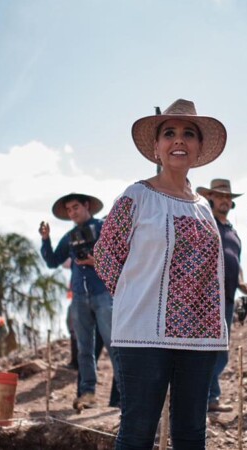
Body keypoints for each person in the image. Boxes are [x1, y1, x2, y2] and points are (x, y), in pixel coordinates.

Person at [94, 98, 229, 450]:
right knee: (137, 434)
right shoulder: (136, 197)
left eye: (188, 134)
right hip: (142, 337)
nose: (178, 140)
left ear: (199, 148)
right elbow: (106, 256)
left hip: (198, 339)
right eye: (169, 133)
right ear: (157, 147)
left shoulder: (204, 209)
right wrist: (138, 298)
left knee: (190, 435)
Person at [39, 192, 118, 409]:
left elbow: (122, 257)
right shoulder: (69, 236)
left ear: (86, 206)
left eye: (75, 207)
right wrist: (45, 239)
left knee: (115, 346)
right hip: (79, 296)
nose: (72, 213)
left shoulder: (104, 228)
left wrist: (97, 261)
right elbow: (53, 261)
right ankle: (87, 394)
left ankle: (123, 396)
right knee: (84, 348)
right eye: (69, 210)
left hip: (104, 293)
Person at [196, 178, 247, 413]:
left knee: (220, 350)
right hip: (207, 298)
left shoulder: (232, 231)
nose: (224, 201)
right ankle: (207, 397)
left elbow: (234, 261)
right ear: (210, 198)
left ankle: (209, 396)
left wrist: (241, 282)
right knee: (208, 349)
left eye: (228, 197)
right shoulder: (204, 224)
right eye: (219, 196)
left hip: (227, 298)